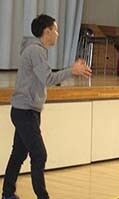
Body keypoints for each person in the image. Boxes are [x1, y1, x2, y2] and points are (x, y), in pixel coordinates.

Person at [2, 14, 92, 199]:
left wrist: (70, 70)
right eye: (56, 30)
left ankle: (7, 194)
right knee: (39, 154)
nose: (57, 34)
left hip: (27, 111)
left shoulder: (37, 50)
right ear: (47, 31)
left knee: (19, 154)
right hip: (24, 112)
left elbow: (45, 76)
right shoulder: (35, 50)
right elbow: (49, 78)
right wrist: (72, 71)